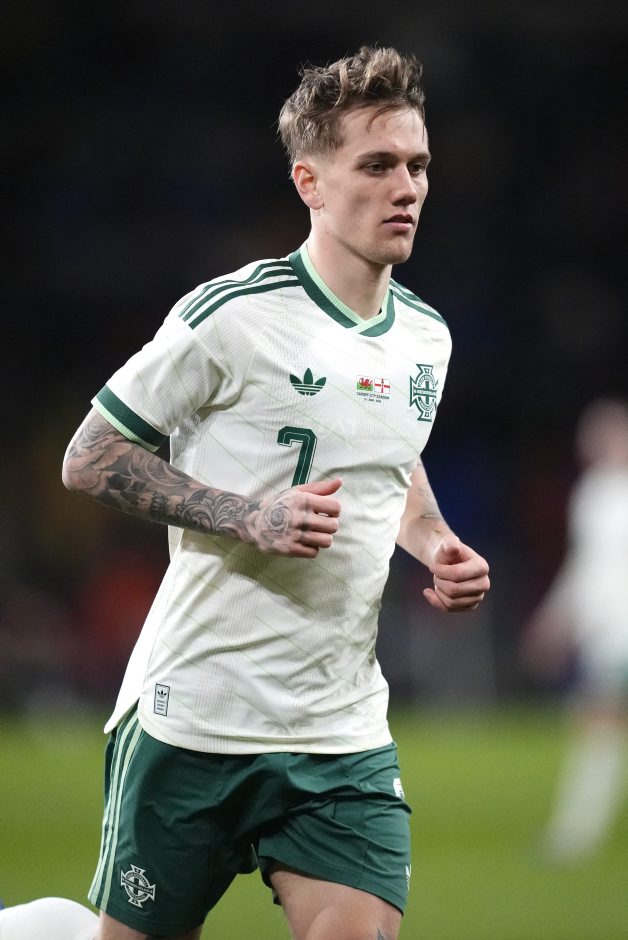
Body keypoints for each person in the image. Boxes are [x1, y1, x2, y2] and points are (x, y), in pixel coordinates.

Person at [56, 46, 489, 940]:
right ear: (310, 183)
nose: (406, 187)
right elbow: (89, 456)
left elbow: (391, 459)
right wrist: (248, 515)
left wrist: (435, 541)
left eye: (417, 166)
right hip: (197, 716)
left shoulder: (426, 338)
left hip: (339, 727)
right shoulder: (232, 316)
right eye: (377, 165)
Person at [522, 398, 628, 863]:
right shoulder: (593, 492)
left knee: (597, 722)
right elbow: (584, 567)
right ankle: (578, 829)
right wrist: (555, 620)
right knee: (597, 722)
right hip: (606, 632)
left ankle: (577, 832)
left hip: (618, 628)